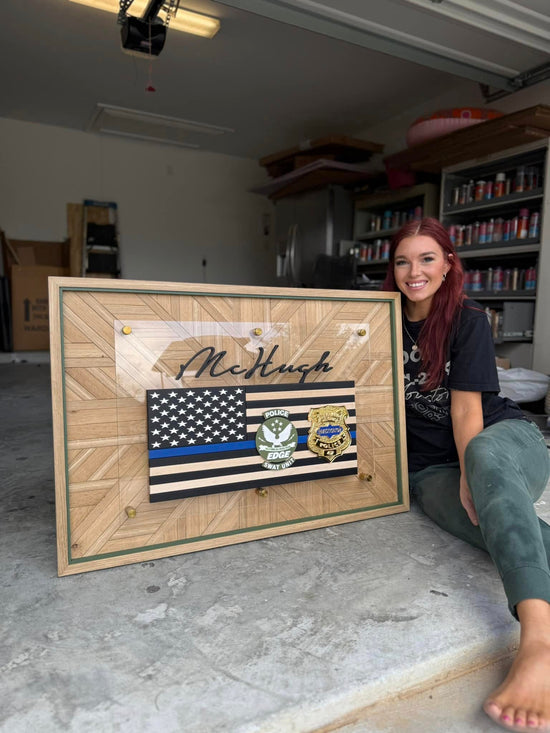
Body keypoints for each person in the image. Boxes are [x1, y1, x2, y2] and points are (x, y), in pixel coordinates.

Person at [382, 217, 550, 732]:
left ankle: (538, 641)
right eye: (403, 261)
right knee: (492, 525)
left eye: (427, 258)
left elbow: (465, 412)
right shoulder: (377, 317)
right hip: (431, 467)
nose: (414, 271)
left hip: (501, 441)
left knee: (481, 463)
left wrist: (468, 473)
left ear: (448, 264)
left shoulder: (467, 318)